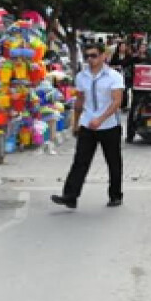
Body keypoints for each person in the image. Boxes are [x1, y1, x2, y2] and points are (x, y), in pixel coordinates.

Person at [51, 43, 125, 208]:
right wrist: (75, 123)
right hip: (87, 124)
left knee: (113, 161)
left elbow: (117, 101)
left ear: (103, 56)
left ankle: (115, 195)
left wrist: (101, 119)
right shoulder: (81, 77)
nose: (90, 59)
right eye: (88, 56)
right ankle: (70, 196)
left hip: (109, 126)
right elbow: (80, 100)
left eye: (94, 55)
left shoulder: (114, 76)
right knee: (80, 161)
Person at [108, 42, 134, 112]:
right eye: (121, 46)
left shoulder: (129, 56)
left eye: (124, 46)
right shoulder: (115, 55)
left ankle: (124, 105)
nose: (122, 48)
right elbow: (110, 65)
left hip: (126, 75)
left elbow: (130, 65)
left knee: (125, 90)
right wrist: (117, 67)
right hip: (116, 75)